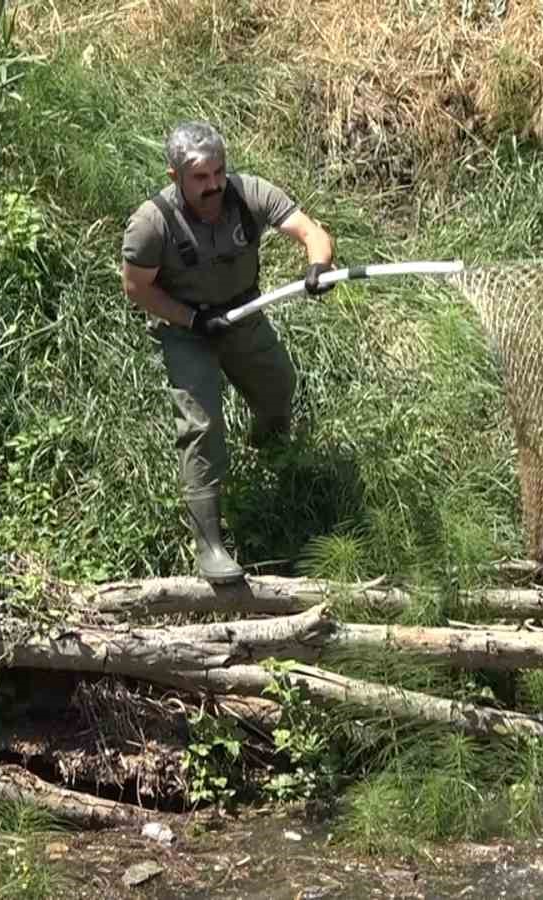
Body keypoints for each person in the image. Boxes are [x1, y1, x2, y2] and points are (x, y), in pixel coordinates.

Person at [120, 121, 336, 584]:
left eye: (218, 172)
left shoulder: (248, 193)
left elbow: (310, 231)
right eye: (200, 177)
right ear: (175, 176)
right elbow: (136, 287)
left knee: (279, 385)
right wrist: (194, 319)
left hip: (243, 314)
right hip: (186, 329)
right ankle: (210, 544)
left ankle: (273, 458)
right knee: (202, 425)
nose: (213, 185)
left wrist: (317, 265)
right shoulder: (152, 222)